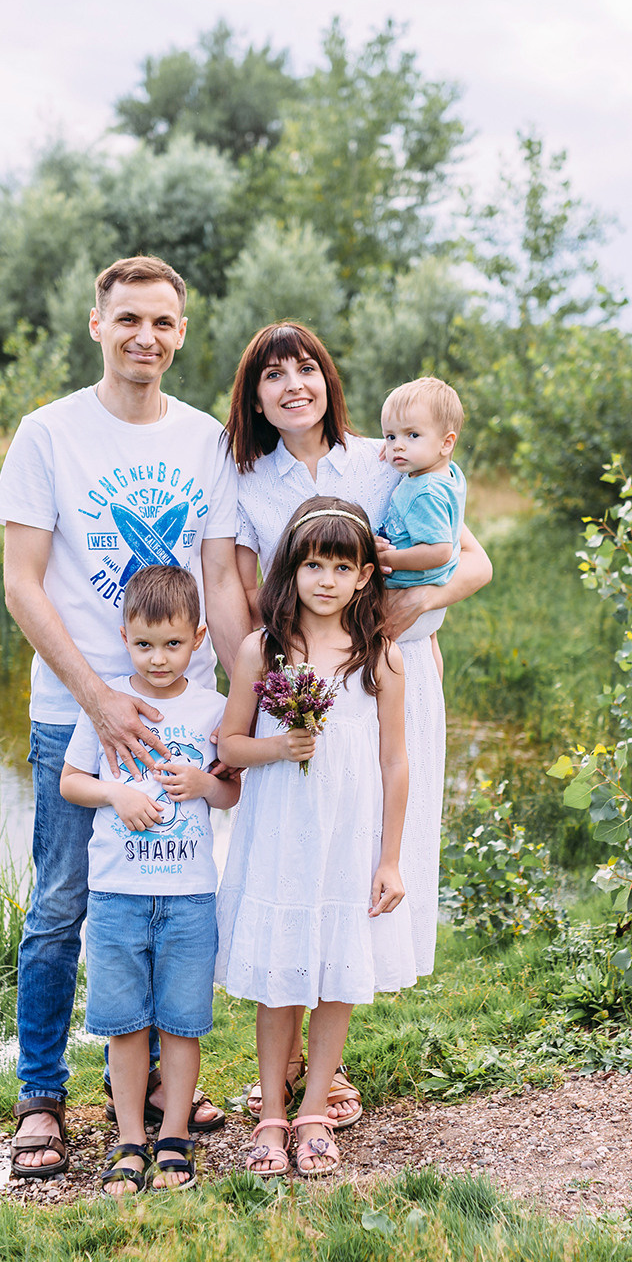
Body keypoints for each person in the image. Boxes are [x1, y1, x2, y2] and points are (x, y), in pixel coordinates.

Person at [0, 255, 250, 1179]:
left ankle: (144, 1090)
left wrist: (245, 690)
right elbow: (22, 585)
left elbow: (218, 578)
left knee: (168, 898)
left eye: (164, 323)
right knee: (63, 902)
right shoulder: (49, 434)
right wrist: (98, 698)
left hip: (182, 713)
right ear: (96, 323)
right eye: (129, 318)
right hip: (77, 707)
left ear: (182, 334)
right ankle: (41, 1096)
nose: (147, 336)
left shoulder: (209, 441)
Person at [222, 322, 492, 1125]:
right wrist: (261, 680)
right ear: (255, 395)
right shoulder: (245, 480)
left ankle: (326, 1070)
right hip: (292, 688)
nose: (294, 384)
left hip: (383, 678)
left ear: (330, 379)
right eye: (274, 375)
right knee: (291, 862)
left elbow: (467, 558)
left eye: (307, 367)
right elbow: (241, 587)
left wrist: (417, 604)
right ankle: (290, 1066)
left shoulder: (389, 455)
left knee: (365, 859)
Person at [215, 497, 408, 1179]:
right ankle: (271, 1109)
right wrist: (280, 746)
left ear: (362, 577)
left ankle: (315, 1107)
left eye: (340, 565)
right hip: (283, 835)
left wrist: (389, 858)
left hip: (348, 839)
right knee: (281, 971)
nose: (325, 578)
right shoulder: (262, 647)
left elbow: (394, 762)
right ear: (291, 570)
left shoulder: (377, 656)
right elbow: (231, 743)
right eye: (312, 563)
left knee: (334, 969)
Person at [58, 565, 238, 1196]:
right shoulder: (107, 702)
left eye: (173, 644)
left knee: (182, 1023)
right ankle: (131, 1139)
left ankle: (175, 1138)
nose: (158, 659)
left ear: (199, 636)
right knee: (126, 1023)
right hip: (117, 896)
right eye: (143, 644)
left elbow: (230, 792)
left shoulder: (212, 707)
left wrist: (203, 785)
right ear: (124, 635)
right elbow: (70, 781)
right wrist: (116, 795)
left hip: (189, 895)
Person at [373, 377, 468, 653]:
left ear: (446, 443)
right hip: (428, 590)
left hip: (402, 590)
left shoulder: (423, 491)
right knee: (427, 647)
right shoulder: (448, 474)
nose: (398, 446)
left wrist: (388, 558)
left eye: (412, 435)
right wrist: (403, 448)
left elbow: (439, 551)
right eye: (390, 436)